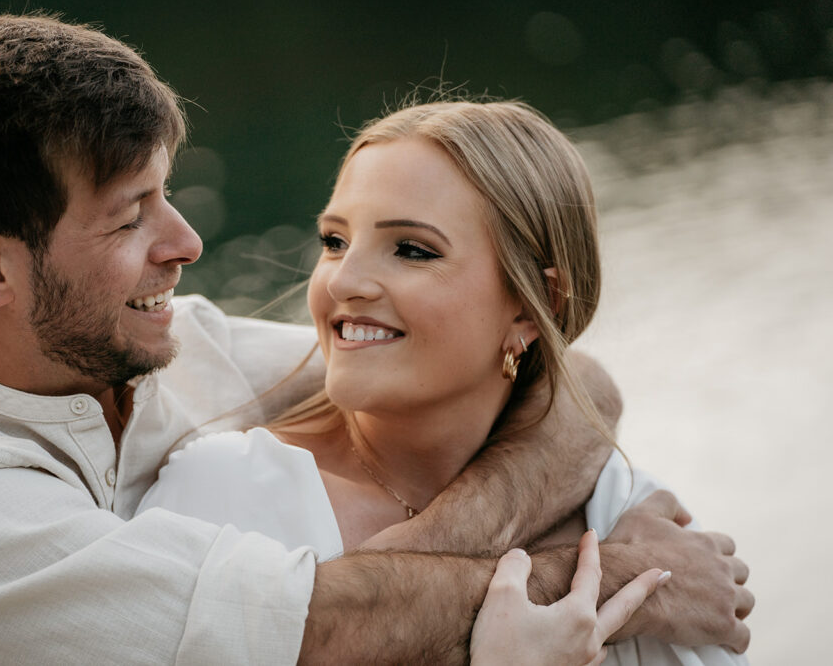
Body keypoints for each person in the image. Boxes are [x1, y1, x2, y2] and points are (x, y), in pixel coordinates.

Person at [0, 11, 751, 664]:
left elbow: (566, 377)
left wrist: (441, 533)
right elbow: (314, 631)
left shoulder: (165, 346)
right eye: (129, 218)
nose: (185, 244)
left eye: (168, 193)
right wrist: (623, 579)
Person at [138, 100, 752, 664]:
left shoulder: (622, 508)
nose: (344, 280)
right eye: (334, 241)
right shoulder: (224, 494)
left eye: (411, 249)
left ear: (532, 303)